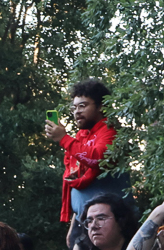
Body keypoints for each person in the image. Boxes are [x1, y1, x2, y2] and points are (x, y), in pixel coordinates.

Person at [45, 78, 119, 233]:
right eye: (74, 107)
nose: (76, 111)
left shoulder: (110, 131)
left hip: (109, 225)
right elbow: (75, 179)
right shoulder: (81, 136)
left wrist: (65, 139)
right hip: (83, 222)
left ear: (100, 106)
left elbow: (98, 159)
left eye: (83, 106)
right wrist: (74, 226)